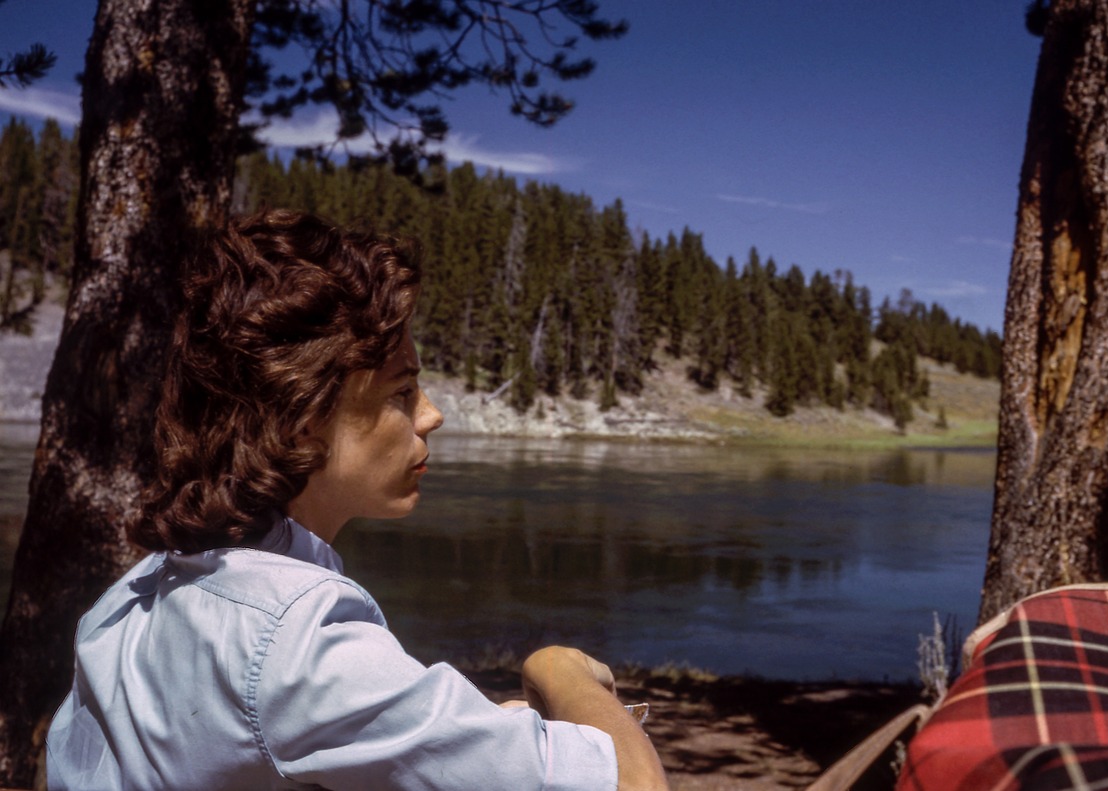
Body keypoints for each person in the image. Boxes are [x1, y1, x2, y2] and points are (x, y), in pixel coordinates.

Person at [45, 210, 669, 791]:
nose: (433, 414)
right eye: (402, 391)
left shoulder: (137, 592)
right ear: (300, 418)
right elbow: (631, 783)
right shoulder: (295, 641)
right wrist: (562, 672)